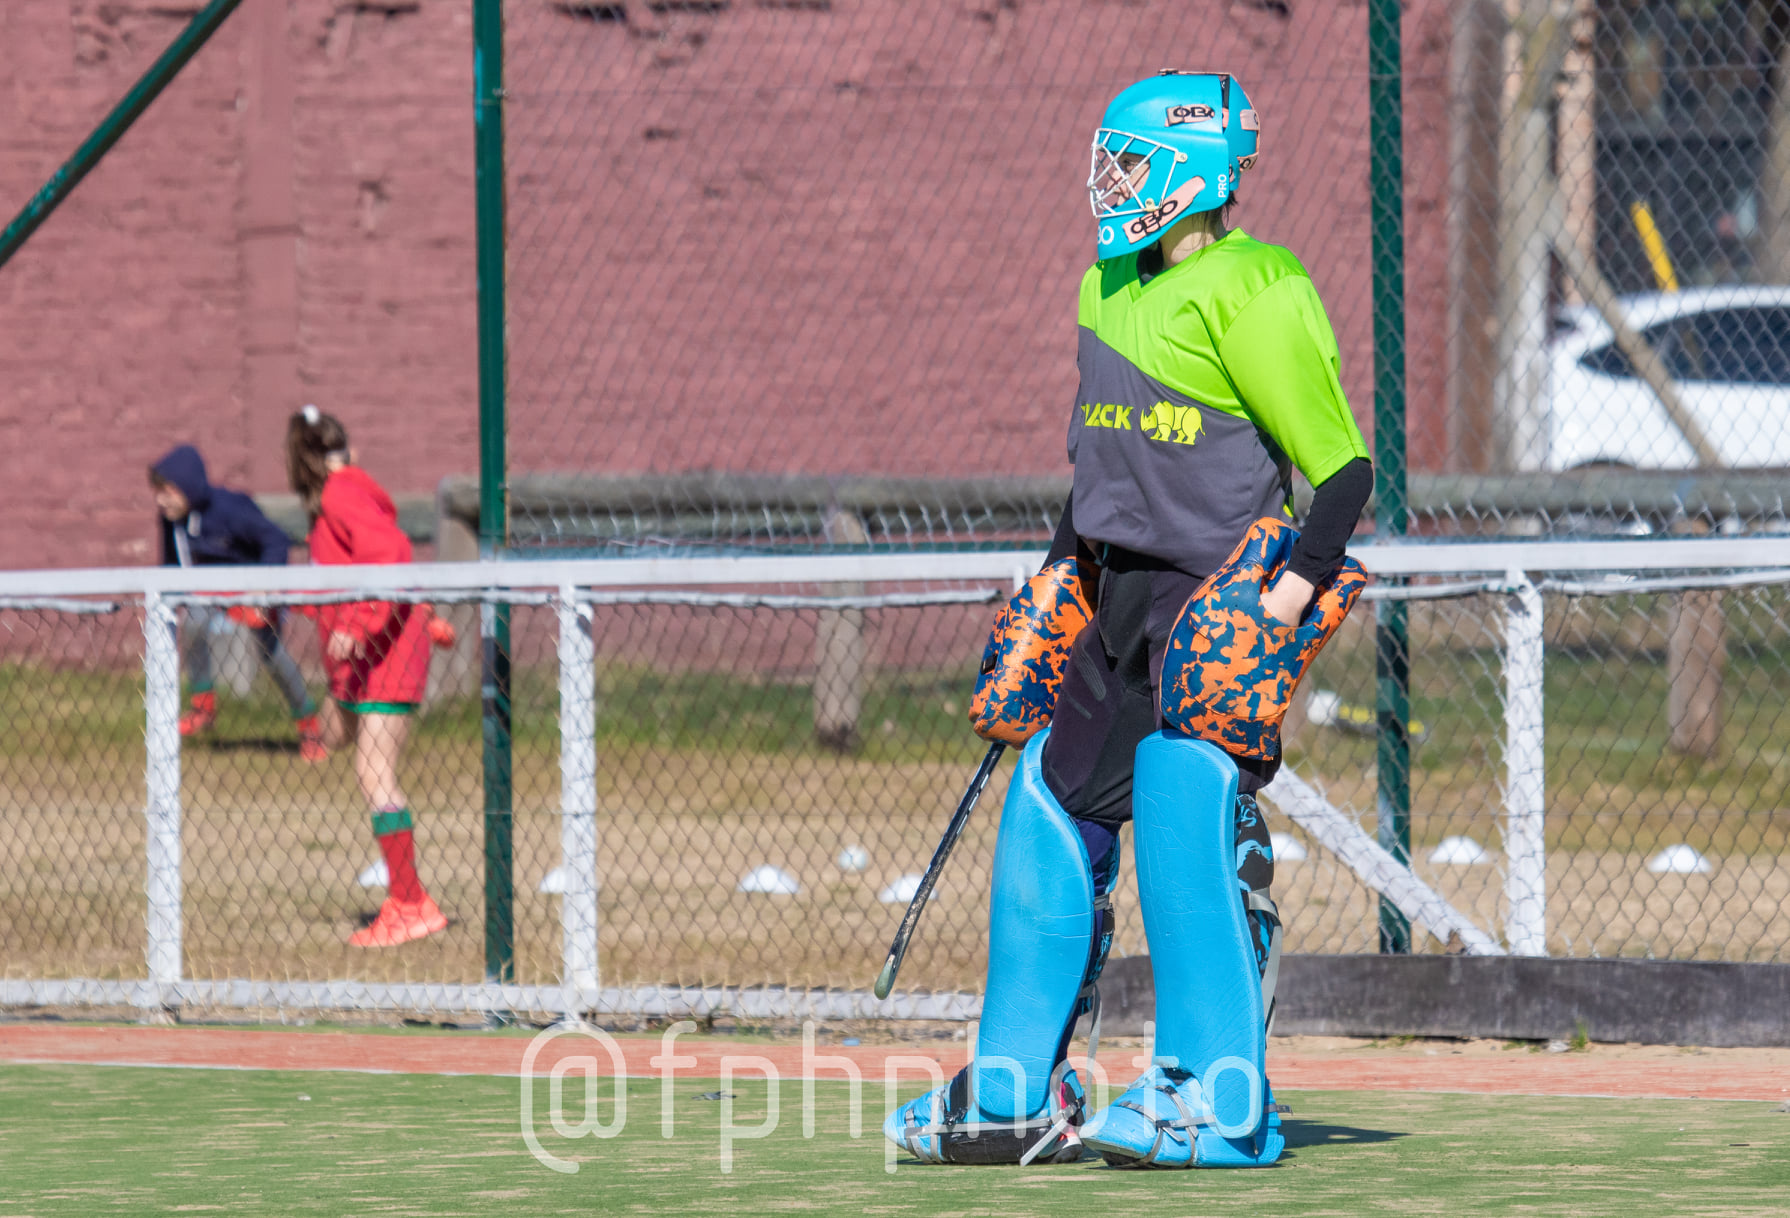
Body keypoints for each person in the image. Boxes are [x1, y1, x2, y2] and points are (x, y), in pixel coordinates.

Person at [886, 71, 1374, 1168]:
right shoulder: (1103, 287)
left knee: (1184, 808)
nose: (1109, 182)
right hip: (1111, 602)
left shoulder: (1256, 287)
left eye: (1132, 162)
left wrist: (1290, 594)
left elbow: (1341, 469)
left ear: (1194, 170)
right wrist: (1056, 580)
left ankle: (1221, 1102)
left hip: (1210, 601)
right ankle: (1017, 1095)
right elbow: (1097, 466)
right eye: (1108, 160)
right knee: (1050, 807)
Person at [286, 404, 448, 948]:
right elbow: (343, 572)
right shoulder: (341, 496)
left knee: (374, 772)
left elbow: (391, 553)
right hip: (369, 654)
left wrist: (359, 622)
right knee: (332, 736)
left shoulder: (340, 493)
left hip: (385, 650)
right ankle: (408, 898)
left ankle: (410, 903)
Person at [149, 445, 326, 761]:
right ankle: (203, 706)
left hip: (253, 591)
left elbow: (276, 541)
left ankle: (310, 726)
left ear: (188, 486)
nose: (161, 499)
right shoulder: (172, 521)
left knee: (272, 655)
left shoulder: (230, 510)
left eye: (167, 490)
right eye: (157, 492)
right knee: (194, 622)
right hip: (210, 594)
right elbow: (171, 567)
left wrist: (262, 592)